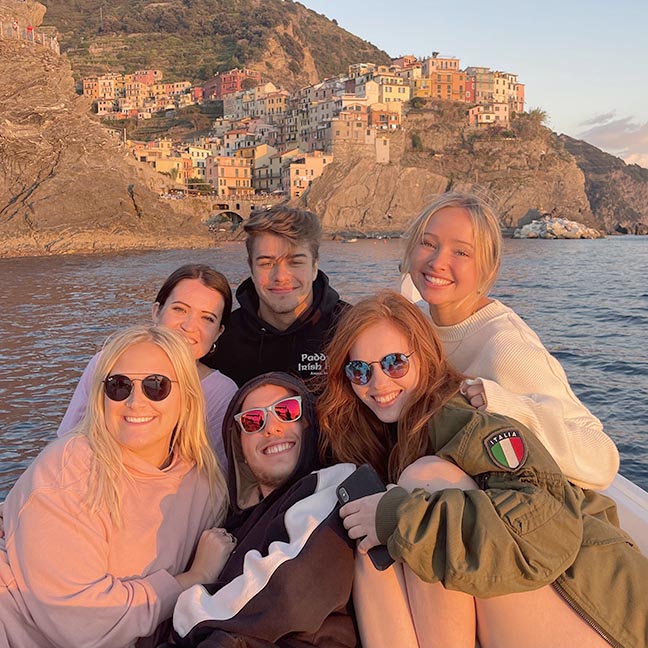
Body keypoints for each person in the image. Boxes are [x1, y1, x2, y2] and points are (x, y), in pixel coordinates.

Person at [317, 291, 647, 648]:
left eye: (395, 363)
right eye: (360, 370)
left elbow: (548, 531)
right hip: (540, 609)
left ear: (425, 358)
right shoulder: (378, 436)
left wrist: (402, 516)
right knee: (369, 543)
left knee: (422, 483)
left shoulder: (462, 416)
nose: (378, 383)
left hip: (602, 615)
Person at [0, 326, 232, 648]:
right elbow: (82, 625)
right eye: (119, 386)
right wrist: (192, 579)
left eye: (156, 386)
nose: (136, 402)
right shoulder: (70, 469)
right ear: (102, 396)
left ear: (188, 398)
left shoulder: (206, 485)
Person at [400, 191, 618, 490]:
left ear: (487, 266)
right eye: (428, 243)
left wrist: (509, 407)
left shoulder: (506, 347)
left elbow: (601, 458)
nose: (438, 261)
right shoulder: (415, 321)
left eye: (461, 252)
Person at [169, 372, 357, 647]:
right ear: (240, 446)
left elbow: (290, 597)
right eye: (253, 421)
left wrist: (186, 605)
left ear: (309, 424)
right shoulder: (227, 527)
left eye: (287, 411)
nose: (271, 428)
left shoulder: (335, 485)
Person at [57, 264, 238, 468]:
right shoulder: (106, 364)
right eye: (179, 309)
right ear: (156, 312)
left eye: (207, 318)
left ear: (218, 332)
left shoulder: (221, 393)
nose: (188, 326)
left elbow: (214, 472)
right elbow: (68, 443)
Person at [205, 206, 348, 389]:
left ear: (314, 267)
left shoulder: (350, 329)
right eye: (266, 263)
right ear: (251, 268)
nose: (281, 276)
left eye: (295, 262)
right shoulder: (222, 341)